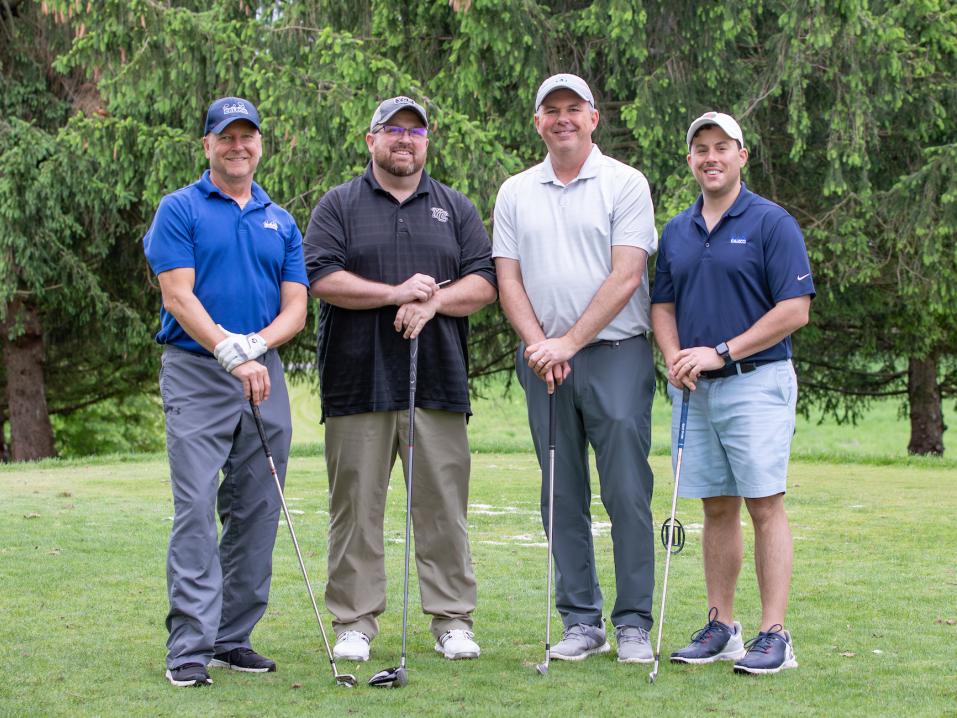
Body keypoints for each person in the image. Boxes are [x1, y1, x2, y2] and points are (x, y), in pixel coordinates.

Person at [302, 96, 497, 663]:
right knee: (355, 510)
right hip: (355, 384)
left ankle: (452, 620)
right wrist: (395, 294)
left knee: (442, 508)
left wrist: (432, 304)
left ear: (427, 142)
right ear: (372, 140)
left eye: (415, 131)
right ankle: (355, 622)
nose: (404, 140)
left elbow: (484, 282)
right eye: (392, 130)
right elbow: (321, 277)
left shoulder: (455, 208)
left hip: (435, 383)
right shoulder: (338, 205)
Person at [493, 74, 659, 664]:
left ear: (593, 118)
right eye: (551, 110)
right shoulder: (515, 191)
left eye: (573, 109)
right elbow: (507, 277)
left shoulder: (624, 183)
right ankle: (580, 620)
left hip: (615, 353)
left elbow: (627, 274)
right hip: (544, 361)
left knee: (626, 490)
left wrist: (568, 342)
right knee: (561, 491)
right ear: (538, 122)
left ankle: (635, 621)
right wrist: (543, 345)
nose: (562, 119)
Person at [143, 96, 308, 687]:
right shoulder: (180, 208)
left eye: (248, 136)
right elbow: (178, 296)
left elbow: (297, 306)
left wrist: (255, 346)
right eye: (226, 136)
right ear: (208, 145)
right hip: (197, 371)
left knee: (258, 509)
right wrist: (228, 350)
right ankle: (188, 646)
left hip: (263, 373)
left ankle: (230, 638)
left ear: (260, 143)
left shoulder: (279, 219)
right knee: (194, 510)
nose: (239, 145)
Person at [650, 111, 814, 674]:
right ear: (690, 160)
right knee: (716, 508)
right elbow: (662, 305)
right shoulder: (677, 229)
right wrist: (673, 354)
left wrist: (722, 351)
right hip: (695, 391)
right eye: (701, 149)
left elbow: (794, 310)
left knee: (764, 505)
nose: (711, 157)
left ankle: (775, 635)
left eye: (722, 147)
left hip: (756, 381)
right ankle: (722, 625)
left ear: (742, 156)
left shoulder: (771, 222)